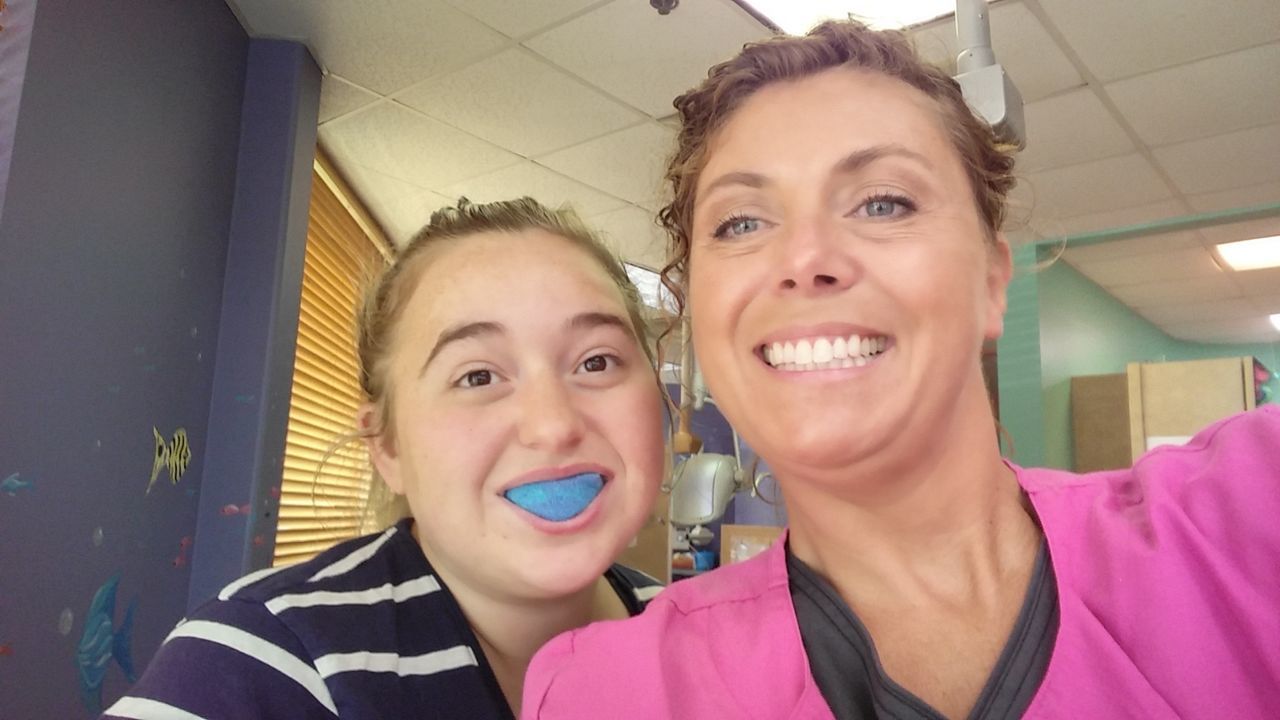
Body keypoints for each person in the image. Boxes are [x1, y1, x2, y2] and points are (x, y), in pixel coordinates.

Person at [522, 20, 1280, 720]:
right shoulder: (610, 691)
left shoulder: (1247, 518)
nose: (805, 259)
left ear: (991, 282)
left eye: (882, 203)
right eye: (741, 222)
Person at [103, 198, 668, 720]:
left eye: (597, 362)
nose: (553, 425)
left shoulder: (709, 632)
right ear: (387, 445)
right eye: (477, 375)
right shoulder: (262, 656)